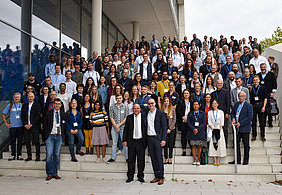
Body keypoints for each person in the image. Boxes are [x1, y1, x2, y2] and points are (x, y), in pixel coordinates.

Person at [43, 98, 67, 181]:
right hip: (50, 136)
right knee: (49, 155)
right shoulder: (48, 113)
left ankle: (55, 172)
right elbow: (45, 125)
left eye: (59, 104)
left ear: (61, 105)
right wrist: (45, 135)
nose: (57, 105)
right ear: (54, 104)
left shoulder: (63, 114)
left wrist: (63, 134)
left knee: (56, 155)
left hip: (59, 136)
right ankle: (49, 173)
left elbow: (64, 125)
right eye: (56, 103)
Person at [123, 104, 147, 183]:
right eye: (134, 108)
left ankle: (140, 176)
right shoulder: (129, 117)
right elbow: (126, 129)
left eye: (137, 108)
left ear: (140, 109)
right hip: (131, 141)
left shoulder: (144, 117)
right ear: (132, 109)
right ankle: (130, 176)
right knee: (131, 160)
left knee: (141, 160)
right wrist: (124, 140)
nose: (136, 110)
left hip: (141, 141)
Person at [146, 98, 167, 185]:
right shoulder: (146, 113)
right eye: (149, 104)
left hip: (157, 138)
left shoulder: (160, 113)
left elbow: (164, 127)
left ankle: (161, 177)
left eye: (152, 103)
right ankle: (156, 176)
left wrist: (164, 139)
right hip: (149, 138)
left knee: (159, 158)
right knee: (153, 158)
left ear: (155, 103)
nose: (151, 105)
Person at [230, 91, 253, 165]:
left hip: (245, 128)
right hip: (237, 128)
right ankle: (237, 160)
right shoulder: (236, 104)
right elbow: (233, 113)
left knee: (246, 145)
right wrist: (233, 118)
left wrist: (241, 123)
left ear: (245, 97)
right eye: (239, 96)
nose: (241, 97)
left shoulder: (248, 105)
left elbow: (249, 117)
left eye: (242, 96)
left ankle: (246, 160)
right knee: (236, 144)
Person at [2, 93, 24, 160]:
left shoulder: (22, 105)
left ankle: (19, 155)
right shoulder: (10, 105)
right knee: (12, 141)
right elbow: (3, 114)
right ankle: (13, 155)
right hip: (13, 127)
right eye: (15, 97)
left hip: (20, 126)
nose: (16, 98)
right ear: (13, 98)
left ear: (20, 98)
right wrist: (6, 123)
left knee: (20, 141)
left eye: (17, 97)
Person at [108, 95, 129, 162]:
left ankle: (127, 158)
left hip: (123, 127)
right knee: (114, 143)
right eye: (117, 98)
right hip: (114, 128)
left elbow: (126, 117)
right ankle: (113, 157)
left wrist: (119, 125)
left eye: (120, 98)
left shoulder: (126, 106)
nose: (119, 99)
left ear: (122, 99)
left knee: (125, 143)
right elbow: (111, 117)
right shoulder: (112, 106)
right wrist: (115, 126)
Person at [21, 92, 41, 161]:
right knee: (27, 141)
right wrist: (25, 124)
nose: (31, 98)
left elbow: (38, 116)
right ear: (27, 97)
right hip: (26, 126)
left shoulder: (37, 105)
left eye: (32, 96)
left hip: (34, 126)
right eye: (29, 96)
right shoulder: (24, 105)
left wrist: (31, 124)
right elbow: (22, 116)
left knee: (36, 141)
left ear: (34, 97)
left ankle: (38, 155)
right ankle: (29, 155)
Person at [211, 80, 231, 146]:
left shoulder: (226, 92)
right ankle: (215, 143)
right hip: (214, 113)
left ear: (222, 85)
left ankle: (225, 143)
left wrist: (227, 113)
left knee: (224, 128)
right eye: (217, 83)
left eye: (220, 83)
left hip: (223, 113)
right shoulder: (213, 93)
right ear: (216, 84)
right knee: (215, 129)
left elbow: (228, 103)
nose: (219, 84)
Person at [257, 63, 277, 127]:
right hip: (261, 95)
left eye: (264, 67)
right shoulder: (258, 75)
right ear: (260, 68)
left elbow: (274, 83)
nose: (263, 68)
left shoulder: (271, 74)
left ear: (266, 67)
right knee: (262, 109)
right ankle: (263, 123)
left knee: (269, 108)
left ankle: (270, 122)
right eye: (262, 67)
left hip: (269, 94)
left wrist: (273, 92)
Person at [187, 101, 206, 165]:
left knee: (199, 145)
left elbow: (204, 122)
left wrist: (198, 129)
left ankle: (198, 159)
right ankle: (195, 159)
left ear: (199, 105)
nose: (195, 106)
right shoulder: (190, 113)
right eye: (194, 104)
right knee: (193, 146)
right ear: (193, 106)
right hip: (192, 131)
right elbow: (188, 122)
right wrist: (193, 129)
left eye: (197, 104)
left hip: (200, 131)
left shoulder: (202, 113)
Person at [208, 99, 226, 166]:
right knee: (213, 144)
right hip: (213, 129)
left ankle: (218, 159)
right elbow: (209, 121)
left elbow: (222, 121)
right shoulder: (210, 112)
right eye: (213, 103)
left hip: (219, 129)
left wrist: (220, 127)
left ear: (218, 104)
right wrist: (212, 127)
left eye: (215, 103)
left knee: (219, 144)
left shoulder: (221, 112)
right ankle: (214, 159)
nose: (214, 105)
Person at [250, 75, 268, 141]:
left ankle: (262, 135)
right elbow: (250, 98)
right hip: (253, 106)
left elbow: (265, 98)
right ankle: (254, 135)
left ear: (259, 80)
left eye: (256, 80)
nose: (255, 81)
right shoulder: (251, 88)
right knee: (253, 122)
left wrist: (264, 107)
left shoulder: (263, 88)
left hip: (261, 105)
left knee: (262, 122)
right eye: (254, 80)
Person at [176, 89, 192, 156]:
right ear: (183, 94)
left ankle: (192, 150)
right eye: (185, 93)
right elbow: (178, 111)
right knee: (183, 136)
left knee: (190, 136)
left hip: (190, 121)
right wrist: (183, 117)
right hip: (183, 120)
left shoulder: (192, 102)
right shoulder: (180, 102)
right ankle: (184, 150)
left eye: (187, 93)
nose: (186, 94)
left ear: (189, 94)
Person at [161, 97, 176, 165]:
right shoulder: (161, 110)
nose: (166, 102)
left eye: (167, 101)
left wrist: (170, 129)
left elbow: (174, 120)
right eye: (165, 101)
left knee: (170, 144)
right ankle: (166, 158)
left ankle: (170, 158)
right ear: (163, 102)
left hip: (171, 129)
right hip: (164, 130)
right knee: (165, 144)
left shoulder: (172, 110)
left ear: (169, 102)